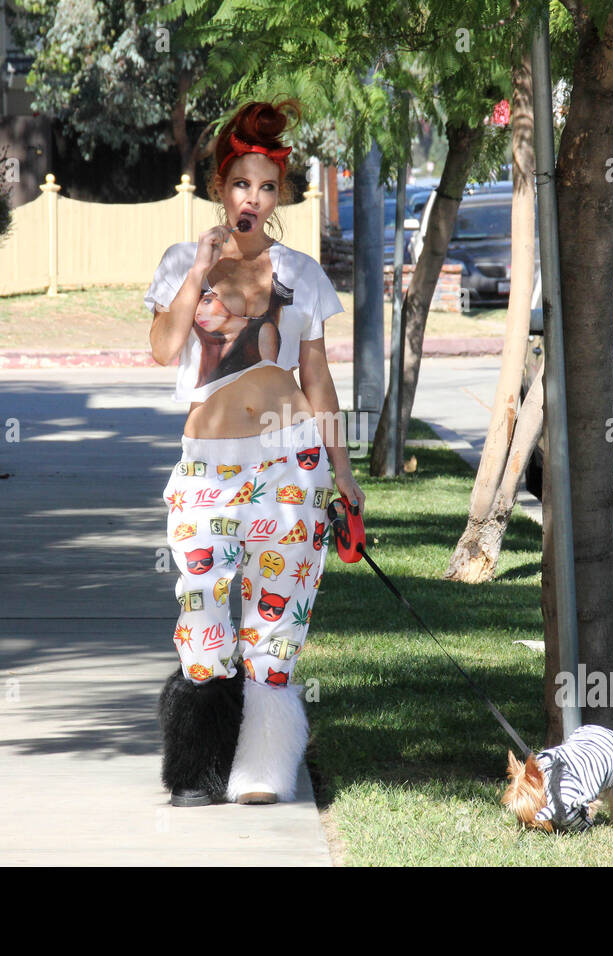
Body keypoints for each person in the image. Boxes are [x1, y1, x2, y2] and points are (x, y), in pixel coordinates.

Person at [144, 99, 366, 808]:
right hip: (208, 469)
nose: (254, 198)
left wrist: (343, 471)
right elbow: (161, 350)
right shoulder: (184, 260)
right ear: (221, 187)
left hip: (289, 463)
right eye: (242, 184)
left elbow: (318, 377)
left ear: (280, 194)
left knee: (276, 628)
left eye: (267, 187)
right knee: (203, 613)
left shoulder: (302, 271)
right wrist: (198, 272)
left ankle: (263, 772)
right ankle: (197, 770)